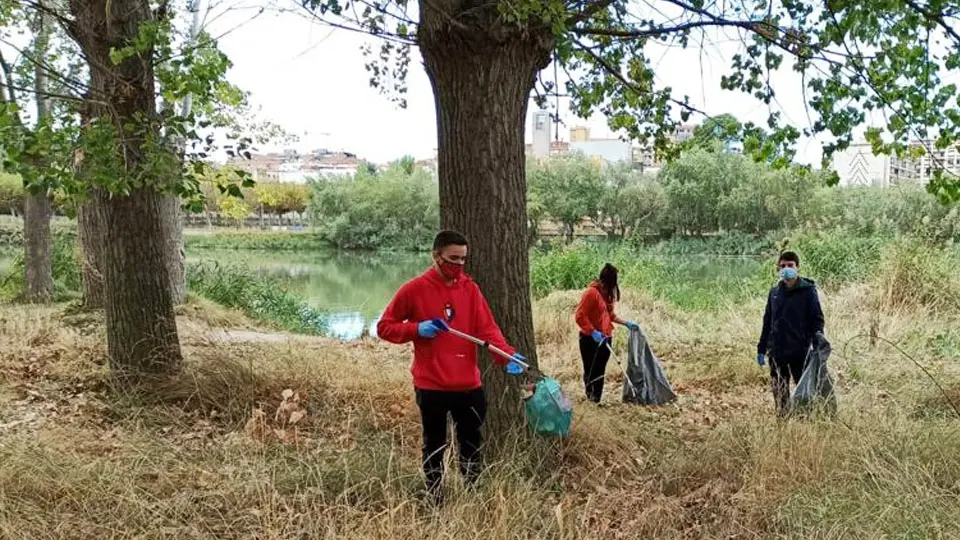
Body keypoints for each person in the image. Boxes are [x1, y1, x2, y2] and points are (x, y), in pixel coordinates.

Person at [377, 230, 526, 503]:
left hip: (468, 385)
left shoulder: (470, 289)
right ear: (436, 256)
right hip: (431, 384)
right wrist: (416, 329)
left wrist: (507, 356)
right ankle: (435, 497)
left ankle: (473, 496)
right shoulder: (414, 289)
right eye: (453, 259)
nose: (458, 266)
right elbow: (385, 327)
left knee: (471, 444)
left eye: (463, 260)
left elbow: (488, 331)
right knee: (434, 444)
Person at [757, 251, 825, 415]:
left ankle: (805, 422)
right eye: (783, 266)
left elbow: (817, 319)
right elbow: (767, 321)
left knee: (804, 391)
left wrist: (818, 340)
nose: (787, 269)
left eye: (790, 265)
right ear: (778, 269)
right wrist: (761, 348)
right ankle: (783, 422)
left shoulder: (808, 291)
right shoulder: (774, 293)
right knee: (779, 391)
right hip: (776, 351)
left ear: (797, 267)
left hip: (799, 351)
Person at [574, 263, 639, 403]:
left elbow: (610, 315)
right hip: (589, 339)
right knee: (590, 369)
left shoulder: (607, 295)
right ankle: (590, 397)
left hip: (605, 338)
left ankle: (597, 398)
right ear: (606, 281)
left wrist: (626, 323)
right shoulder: (591, 293)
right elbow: (579, 315)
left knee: (600, 369)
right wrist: (592, 332)